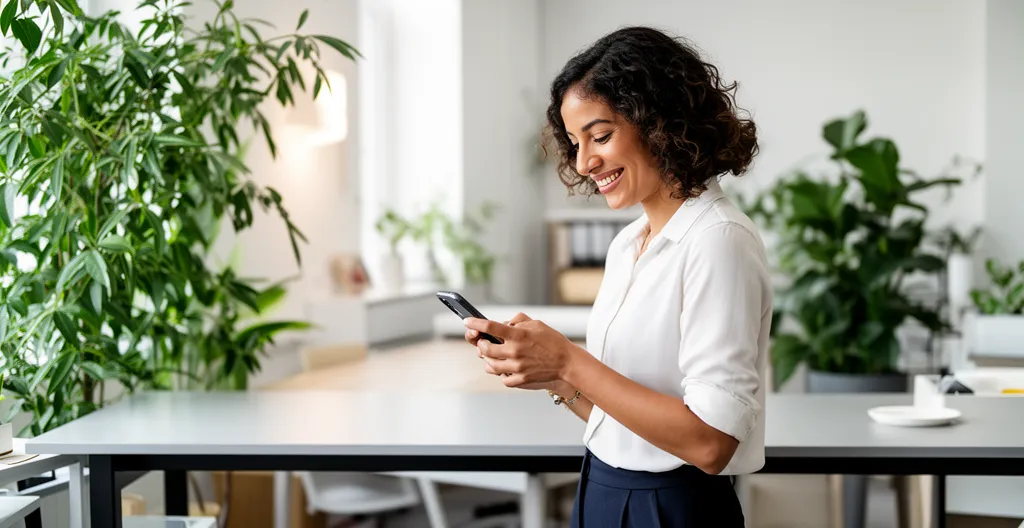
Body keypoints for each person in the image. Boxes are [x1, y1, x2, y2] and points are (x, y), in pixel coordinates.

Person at [463, 26, 770, 527]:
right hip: (603, 489)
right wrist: (552, 374)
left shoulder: (718, 240)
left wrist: (568, 359)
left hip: (672, 506)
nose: (584, 162)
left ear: (661, 122)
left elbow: (710, 443)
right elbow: (624, 421)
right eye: (575, 142)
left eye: (600, 136)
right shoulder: (629, 244)